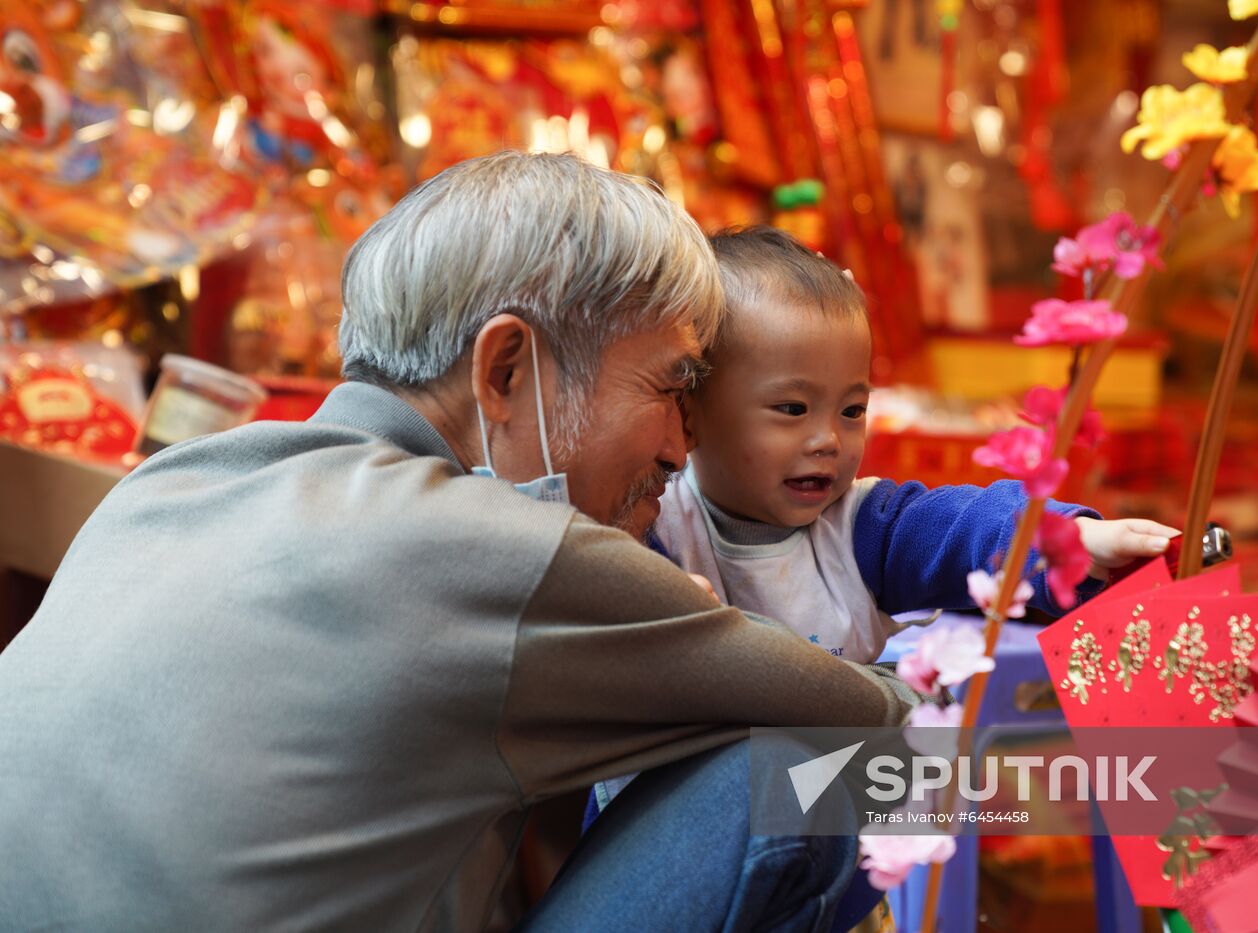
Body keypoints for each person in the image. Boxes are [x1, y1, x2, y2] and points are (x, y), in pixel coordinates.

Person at [0, 153, 921, 932]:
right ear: (506, 369)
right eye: (669, 388)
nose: (682, 449)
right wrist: (1051, 682)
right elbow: (893, 731)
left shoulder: (174, 480)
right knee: (814, 767)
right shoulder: (498, 550)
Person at [654, 225, 1179, 663]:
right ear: (690, 413)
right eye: (793, 409)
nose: (828, 440)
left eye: (852, 411)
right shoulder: (657, 527)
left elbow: (964, 525)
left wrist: (1070, 540)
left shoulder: (860, 529)